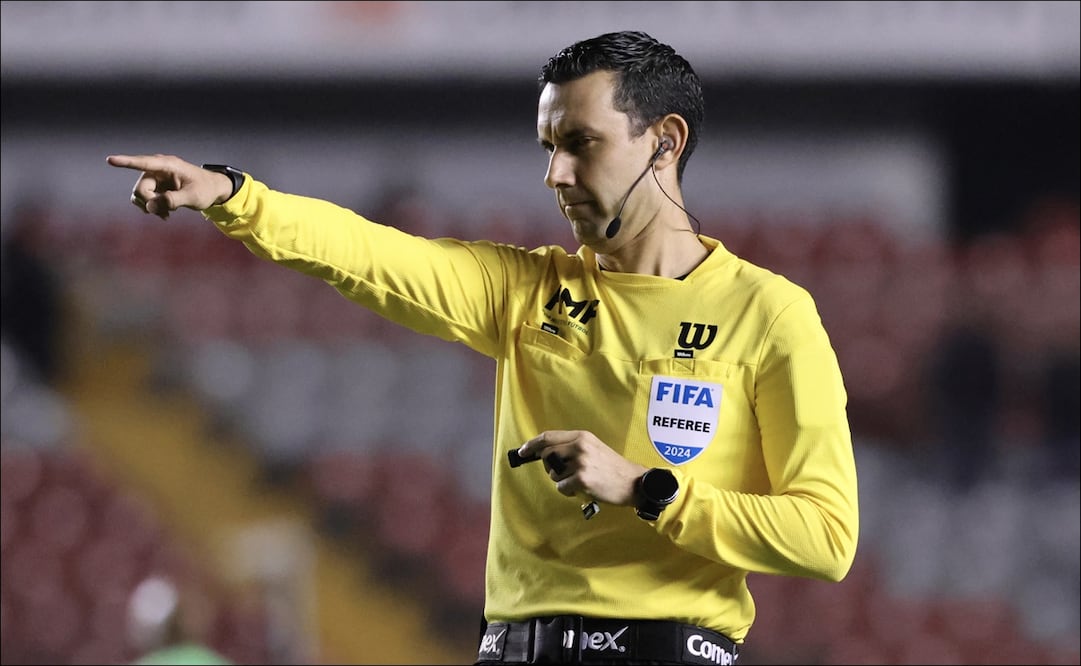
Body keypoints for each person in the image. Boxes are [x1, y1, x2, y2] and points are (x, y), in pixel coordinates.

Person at [108, 30, 858, 666]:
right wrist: (234, 196)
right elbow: (369, 256)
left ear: (665, 141)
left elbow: (825, 537)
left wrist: (644, 488)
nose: (554, 174)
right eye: (548, 147)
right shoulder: (525, 290)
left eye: (580, 144)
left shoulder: (769, 315)